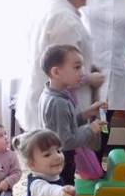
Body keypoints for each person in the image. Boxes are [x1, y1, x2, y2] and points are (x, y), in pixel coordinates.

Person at [17, 0, 105, 134]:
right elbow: (66, 69)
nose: (85, 3)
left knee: (41, 145)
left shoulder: (43, 6)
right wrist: (90, 78)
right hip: (56, 102)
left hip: (39, 93)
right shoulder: (65, 20)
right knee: (59, 146)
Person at [38, 44, 106, 185]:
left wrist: (86, 114)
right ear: (56, 72)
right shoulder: (59, 102)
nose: (82, 73)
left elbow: (63, 124)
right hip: (59, 163)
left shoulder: (52, 93)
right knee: (64, 192)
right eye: (77, 67)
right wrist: (90, 130)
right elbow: (66, 141)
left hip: (55, 158)